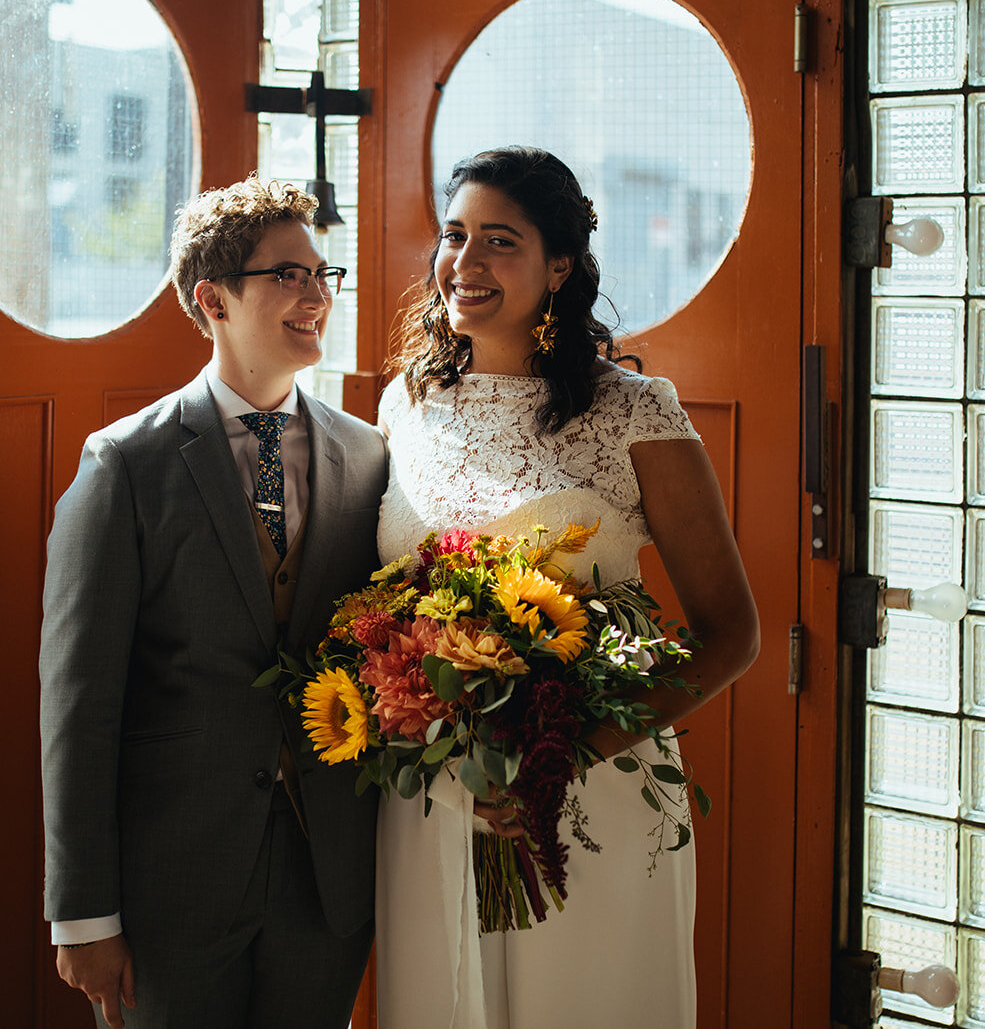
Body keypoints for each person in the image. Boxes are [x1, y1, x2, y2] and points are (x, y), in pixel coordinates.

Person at [373, 147, 760, 1027]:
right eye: (454, 235)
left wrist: (560, 757)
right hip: (439, 790)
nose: (463, 265)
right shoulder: (407, 400)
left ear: (559, 267)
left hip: (590, 791)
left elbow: (732, 631)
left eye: (498, 241)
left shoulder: (635, 411)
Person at [40, 175, 388, 1029]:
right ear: (213, 298)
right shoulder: (124, 464)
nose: (316, 296)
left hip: (327, 878)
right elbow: (79, 703)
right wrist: (83, 912)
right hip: (173, 885)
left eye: (322, 274)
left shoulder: (370, 455)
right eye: (287, 275)